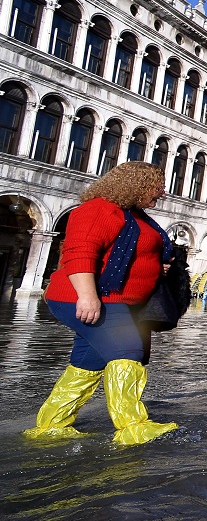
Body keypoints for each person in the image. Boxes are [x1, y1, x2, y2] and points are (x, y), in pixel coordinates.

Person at [24, 162, 179, 446]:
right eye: (157, 186)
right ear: (137, 185)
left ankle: (51, 424)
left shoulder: (136, 216)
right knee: (128, 352)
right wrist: (88, 296)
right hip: (88, 297)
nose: (163, 192)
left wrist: (157, 267)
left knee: (88, 365)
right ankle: (133, 427)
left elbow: (135, 254)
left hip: (119, 301)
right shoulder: (97, 209)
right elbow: (80, 254)